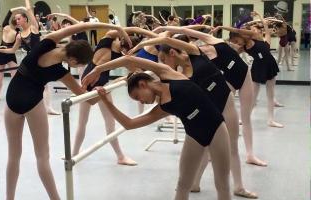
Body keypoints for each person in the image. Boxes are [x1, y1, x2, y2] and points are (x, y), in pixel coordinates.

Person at [0, 20, 133, 200]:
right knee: (43, 157)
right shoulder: (61, 72)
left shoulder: (48, 42)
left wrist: (115, 28)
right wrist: (112, 85)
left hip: (12, 96)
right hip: (32, 102)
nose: (78, 68)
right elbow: (88, 100)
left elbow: (81, 27)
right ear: (72, 60)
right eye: (79, 65)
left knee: (13, 155)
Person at [131, 28, 259, 197]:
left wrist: (153, 36)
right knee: (204, 149)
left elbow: (176, 36)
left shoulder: (197, 51)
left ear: (172, 52)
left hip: (225, 107)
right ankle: (195, 183)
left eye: (163, 59)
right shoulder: (180, 75)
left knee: (231, 148)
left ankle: (238, 186)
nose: (163, 63)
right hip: (211, 114)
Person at [82, 55, 232, 200]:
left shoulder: (168, 74)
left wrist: (98, 69)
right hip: (194, 136)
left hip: (216, 128)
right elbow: (129, 124)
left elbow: (129, 59)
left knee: (222, 183)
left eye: (137, 96)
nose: (140, 102)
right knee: (183, 184)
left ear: (143, 84)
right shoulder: (163, 107)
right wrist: (106, 102)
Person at [72, 27, 148, 165]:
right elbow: (119, 29)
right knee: (84, 123)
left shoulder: (108, 40)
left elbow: (137, 70)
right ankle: (73, 155)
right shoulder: (116, 48)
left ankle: (119, 156)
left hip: (96, 83)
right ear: (127, 48)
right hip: (93, 84)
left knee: (107, 123)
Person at [212, 13, 284, 128]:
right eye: (235, 41)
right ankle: (243, 118)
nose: (237, 43)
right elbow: (231, 50)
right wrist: (220, 34)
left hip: (270, 66)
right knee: (252, 97)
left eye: (237, 40)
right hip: (258, 68)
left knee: (270, 94)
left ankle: (270, 120)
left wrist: (221, 27)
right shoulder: (243, 47)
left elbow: (240, 30)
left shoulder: (256, 36)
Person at [0, 0, 59, 115]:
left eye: (19, 19)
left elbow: (29, 10)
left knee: (45, 84)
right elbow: (13, 50)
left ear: (25, 19)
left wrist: (26, 4)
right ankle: (29, 104)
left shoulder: (33, 28)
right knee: (29, 82)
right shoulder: (19, 35)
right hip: (30, 61)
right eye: (16, 20)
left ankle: (48, 108)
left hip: (41, 58)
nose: (17, 21)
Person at [0, 9, 18, 101]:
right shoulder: (17, 32)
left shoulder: (5, 26)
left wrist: (16, 9)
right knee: (14, 75)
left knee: (0, 74)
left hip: (2, 51)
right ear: (17, 23)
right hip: (9, 52)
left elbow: (9, 12)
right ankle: (15, 95)